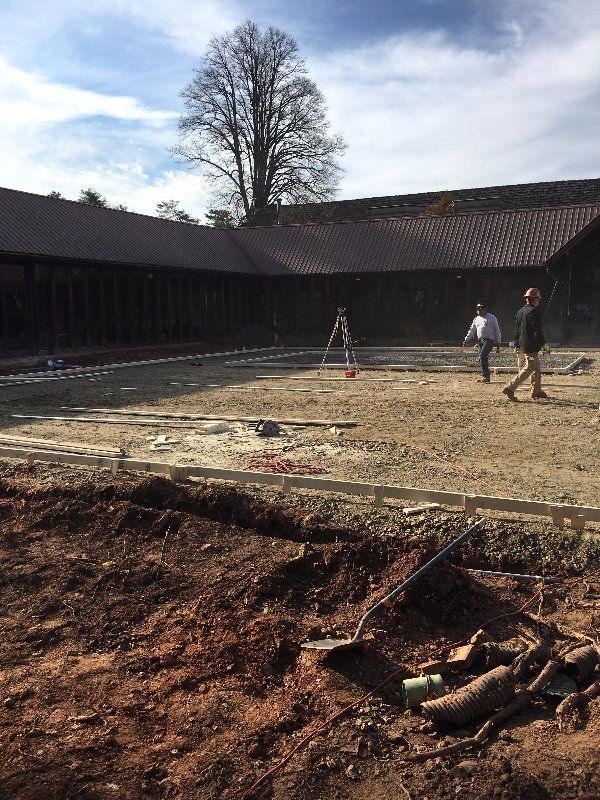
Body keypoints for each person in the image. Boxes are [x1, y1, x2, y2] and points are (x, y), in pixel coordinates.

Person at [502, 288, 548, 401]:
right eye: (538, 299)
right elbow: (538, 330)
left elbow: (517, 330)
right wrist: (543, 345)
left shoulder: (520, 312)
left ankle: (536, 390)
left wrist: (517, 344)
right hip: (531, 346)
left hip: (523, 345)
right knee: (529, 367)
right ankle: (510, 387)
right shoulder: (534, 312)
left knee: (536, 368)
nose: (538, 301)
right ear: (535, 299)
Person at [463, 302, 501, 383]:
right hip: (480, 341)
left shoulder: (491, 318)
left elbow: (497, 330)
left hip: (489, 340)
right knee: (481, 357)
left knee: (483, 355)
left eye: (481, 309)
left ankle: (486, 376)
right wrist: (466, 339)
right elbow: (472, 330)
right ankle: (485, 376)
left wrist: (498, 343)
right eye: (478, 309)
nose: (479, 311)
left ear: (485, 309)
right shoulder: (476, 319)